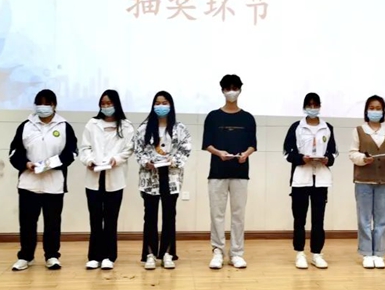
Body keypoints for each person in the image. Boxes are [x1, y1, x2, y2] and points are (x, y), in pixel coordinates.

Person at [9, 89, 78, 271]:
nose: (42, 107)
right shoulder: (26, 126)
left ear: (54, 105)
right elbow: (14, 152)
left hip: (54, 183)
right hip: (29, 182)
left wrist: (51, 164)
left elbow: (71, 152)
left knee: (52, 223)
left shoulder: (64, 126)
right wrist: (26, 164)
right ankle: (26, 256)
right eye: (39, 103)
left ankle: (52, 255)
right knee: (27, 223)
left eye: (46, 103)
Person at [203, 74, 257, 269]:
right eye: (228, 88)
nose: (231, 91)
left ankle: (236, 253)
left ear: (240, 90)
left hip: (240, 172)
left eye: (235, 88)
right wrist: (219, 153)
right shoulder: (213, 116)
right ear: (222, 91)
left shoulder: (248, 118)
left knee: (238, 214)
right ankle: (217, 251)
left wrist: (245, 154)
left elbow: (252, 145)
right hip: (217, 172)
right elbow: (207, 144)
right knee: (217, 214)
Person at [78, 90, 135, 270]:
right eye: (103, 103)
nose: (106, 106)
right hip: (94, 177)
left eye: (109, 103)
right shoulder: (92, 124)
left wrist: (116, 159)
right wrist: (89, 160)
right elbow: (84, 147)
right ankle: (94, 256)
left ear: (116, 104)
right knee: (95, 218)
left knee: (111, 219)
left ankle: (109, 256)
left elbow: (129, 149)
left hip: (115, 176)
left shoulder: (126, 126)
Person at [135, 91, 192, 270]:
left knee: (169, 216)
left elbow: (186, 149)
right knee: (150, 216)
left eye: (164, 103)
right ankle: (150, 254)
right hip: (150, 178)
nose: (161, 106)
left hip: (171, 177)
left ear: (171, 105)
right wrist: (147, 162)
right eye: (158, 103)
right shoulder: (144, 128)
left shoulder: (179, 128)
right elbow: (138, 150)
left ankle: (167, 253)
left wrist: (173, 161)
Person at [283, 93, 337, 270]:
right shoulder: (296, 127)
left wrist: (327, 159)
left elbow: (334, 152)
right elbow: (287, 152)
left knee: (318, 219)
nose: (312, 108)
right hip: (300, 178)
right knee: (299, 218)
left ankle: (317, 253)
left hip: (320, 179)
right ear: (304, 107)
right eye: (309, 105)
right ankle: (300, 253)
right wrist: (301, 158)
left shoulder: (327, 128)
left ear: (320, 106)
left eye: (315, 105)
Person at [349, 95, 385, 269]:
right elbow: (352, 153)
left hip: (384, 180)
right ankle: (366, 253)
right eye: (372, 108)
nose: (375, 111)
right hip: (363, 179)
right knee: (364, 219)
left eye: (378, 108)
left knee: (382, 219)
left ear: (383, 111)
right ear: (366, 110)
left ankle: (379, 253)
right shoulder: (358, 130)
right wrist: (363, 159)